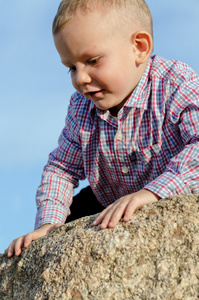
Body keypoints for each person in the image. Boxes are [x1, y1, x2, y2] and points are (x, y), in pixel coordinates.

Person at [6, 0, 199, 257]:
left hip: (178, 190)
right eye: (72, 68)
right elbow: (61, 169)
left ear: (139, 48)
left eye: (92, 60)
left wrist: (152, 192)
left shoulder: (176, 83)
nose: (81, 79)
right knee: (69, 222)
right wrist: (48, 223)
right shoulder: (81, 107)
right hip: (109, 200)